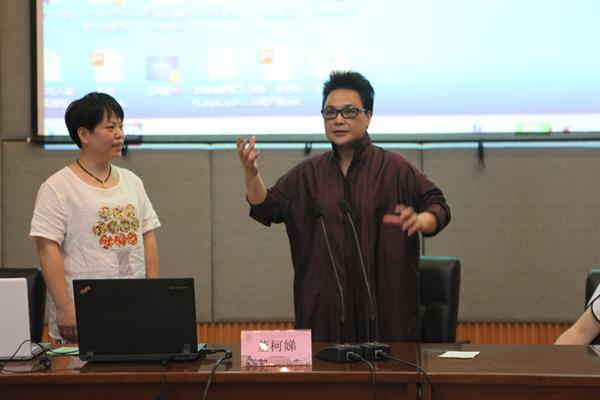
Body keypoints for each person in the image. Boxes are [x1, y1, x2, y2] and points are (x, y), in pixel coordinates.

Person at [237, 70, 451, 342]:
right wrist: (251, 175)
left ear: (368, 116)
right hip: (325, 318)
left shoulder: (394, 168)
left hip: (386, 318)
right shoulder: (308, 175)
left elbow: (438, 205)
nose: (338, 120)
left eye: (349, 112)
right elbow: (267, 207)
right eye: (330, 113)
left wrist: (423, 221)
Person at [30, 92, 161, 343]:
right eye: (110, 127)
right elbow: (47, 248)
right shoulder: (57, 187)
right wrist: (65, 307)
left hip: (135, 310)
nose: (120, 134)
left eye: (121, 126)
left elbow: (148, 236)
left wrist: (154, 294)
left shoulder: (132, 182)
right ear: (84, 134)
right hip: (83, 313)